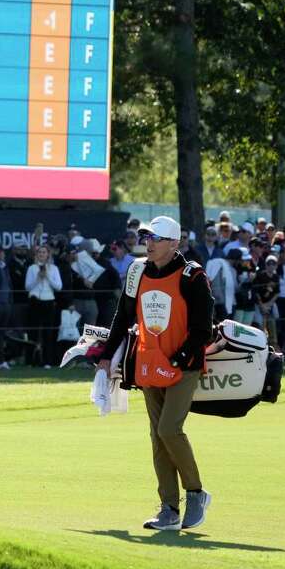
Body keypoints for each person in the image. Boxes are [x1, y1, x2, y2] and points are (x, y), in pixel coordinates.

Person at [95, 216, 214, 531]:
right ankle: (169, 509)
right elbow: (123, 316)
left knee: (169, 430)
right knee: (157, 436)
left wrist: (179, 357)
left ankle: (197, 493)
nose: (147, 242)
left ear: (173, 244)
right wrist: (106, 356)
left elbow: (204, 329)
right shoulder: (137, 271)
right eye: (145, 236)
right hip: (149, 363)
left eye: (154, 238)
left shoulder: (193, 276)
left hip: (183, 366)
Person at [24, 244, 62, 368]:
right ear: (36, 255)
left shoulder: (54, 268)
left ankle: (47, 361)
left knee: (48, 333)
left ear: (48, 255)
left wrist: (47, 276)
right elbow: (27, 287)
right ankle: (32, 361)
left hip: (49, 301)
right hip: (35, 301)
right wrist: (37, 278)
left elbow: (58, 287)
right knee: (33, 331)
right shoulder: (32, 268)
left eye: (44, 252)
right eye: (39, 252)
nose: (42, 254)